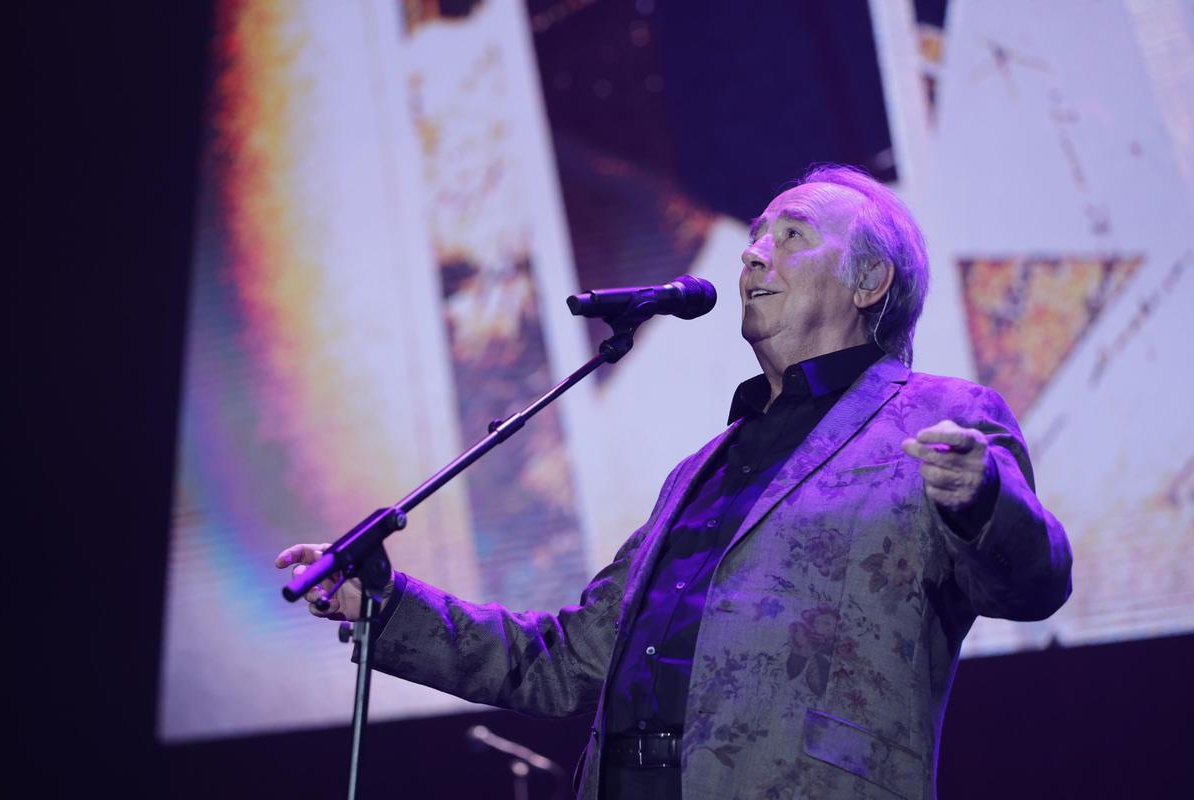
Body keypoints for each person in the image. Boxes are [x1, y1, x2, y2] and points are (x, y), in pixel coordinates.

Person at [277, 164, 1072, 800]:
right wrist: (384, 605)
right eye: (755, 236)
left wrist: (984, 503)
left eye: (792, 236)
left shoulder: (940, 415)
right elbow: (562, 663)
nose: (753, 252)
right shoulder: (699, 472)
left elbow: (1033, 586)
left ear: (870, 284)